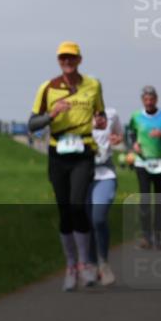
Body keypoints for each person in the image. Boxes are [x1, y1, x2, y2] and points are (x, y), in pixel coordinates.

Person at [28, 41, 106, 291]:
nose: (67, 62)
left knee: (77, 204)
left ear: (79, 60)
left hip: (83, 151)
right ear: (58, 61)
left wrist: (101, 121)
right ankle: (71, 265)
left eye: (71, 58)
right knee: (64, 209)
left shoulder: (93, 85)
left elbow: (100, 114)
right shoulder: (47, 87)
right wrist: (51, 115)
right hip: (58, 152)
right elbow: (31, 124)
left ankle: (85, 263)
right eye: (63, 58)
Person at [128, 85, 161, 250]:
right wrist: (134, 144)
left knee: (160, 200)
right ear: (143, 101)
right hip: (143, 162)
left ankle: (158, 236)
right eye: (146, 99)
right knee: (145, 199)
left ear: (156, 99)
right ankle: (146, 236)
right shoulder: (136, 116)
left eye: (152, 99)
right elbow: (130, 133)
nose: (149, 102)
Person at [88, 107, 123, 285]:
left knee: (98, 219)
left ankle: (103, 263)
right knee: (85, 222)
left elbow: (119, 134)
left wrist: (117, 139)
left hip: (105, 174)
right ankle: (91, 265)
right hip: (80, 175)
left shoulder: (111, 114)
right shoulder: (73, 114)